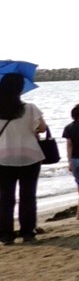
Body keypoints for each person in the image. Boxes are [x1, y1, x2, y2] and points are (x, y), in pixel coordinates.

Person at [0, 72, 49, 244]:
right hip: (30, 157)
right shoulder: (30, 108)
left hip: (3, 158)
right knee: (28, 195)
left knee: (5, 198)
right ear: (20, 88)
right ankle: (27, 232)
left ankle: (6, 235)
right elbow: (42, 128)